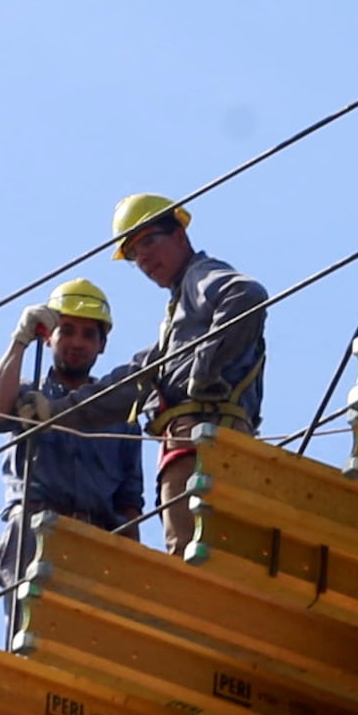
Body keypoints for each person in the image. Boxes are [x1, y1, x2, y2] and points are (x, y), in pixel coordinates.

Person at [115, 193, 269, 551]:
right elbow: (119, 387)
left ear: (180, 237)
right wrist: (54, 410)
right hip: (210, 440)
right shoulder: (174, 324)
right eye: (135, 253)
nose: (144, 258)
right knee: (229, 555)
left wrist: (202, 369)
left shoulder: (201, 276)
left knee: (191, 558)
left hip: (201, 439)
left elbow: (246, 295)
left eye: (150, 241)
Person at [0, 278, 148, 598]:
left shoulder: (121, 416)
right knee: (29, 634)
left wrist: (132, 574)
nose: (77, 342)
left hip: (95, 541)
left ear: (102, 344)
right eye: (66, 330)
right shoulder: (28, 394)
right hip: (33, 529)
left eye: (88, 334)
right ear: (49, 337)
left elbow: (129, 503)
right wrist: (20, 340)